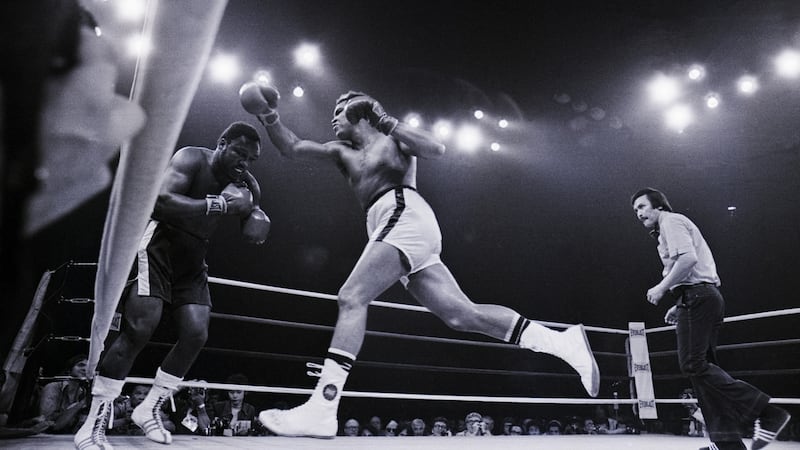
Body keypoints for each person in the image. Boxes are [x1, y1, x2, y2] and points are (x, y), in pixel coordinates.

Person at [245, 85, 599, 439]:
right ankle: (560, 343)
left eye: (340, 109)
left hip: (405, 213)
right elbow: (292, 147)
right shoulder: (341, 152)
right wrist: (268, 115)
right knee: (463, 315)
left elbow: (436, 148)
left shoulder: (392, 138)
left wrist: (384, 118)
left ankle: (323, 407)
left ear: (360, 110)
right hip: (391, 223)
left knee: (352, 296)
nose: (333, 117)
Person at [73, 122, 269, 449]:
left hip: (194, 259)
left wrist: (255, 219)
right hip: (159, 245)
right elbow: (160, 202)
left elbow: (254, 226)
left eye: (251, 159)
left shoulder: (247, 183)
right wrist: (217, 205)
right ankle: (92, 424)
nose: (244, 163)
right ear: (222, 143)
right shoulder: (191, 158)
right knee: (140, 328)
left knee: (196, 333)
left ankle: (149, 408)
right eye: (240, 153)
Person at [630, 188, 791, 450]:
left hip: (699, 298)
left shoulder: (670, 221)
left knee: (693, 365)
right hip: (697, 298)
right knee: (702, 374)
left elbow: (689, 259)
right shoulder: (668, 229)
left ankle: (767, 412)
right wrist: (677, 299)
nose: (638, 213)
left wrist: (661, 288)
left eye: (642, 206)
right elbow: (693, 266)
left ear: (658, 206)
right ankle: (727, 444)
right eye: (635, 210)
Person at [38, 355, 89, 434]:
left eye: (89, 367)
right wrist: (79, 405)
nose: (85, 369)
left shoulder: (82, 392)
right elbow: (46, 422)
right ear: (69, 370)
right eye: (80, 365)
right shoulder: (53, 387)